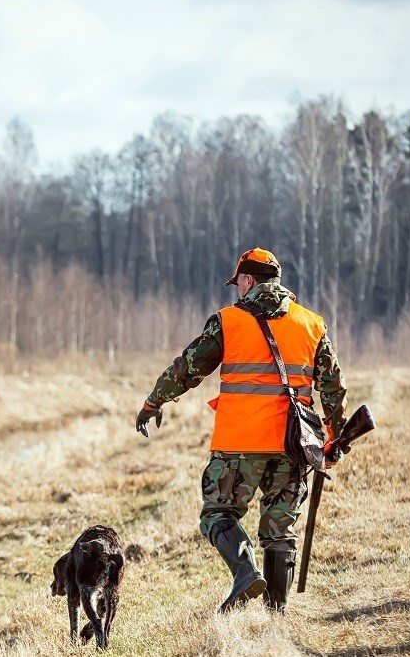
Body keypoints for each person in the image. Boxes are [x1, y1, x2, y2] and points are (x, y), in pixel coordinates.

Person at [135, 248, 347, 614]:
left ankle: (245, 573)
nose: (237, 290)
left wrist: (154, 401)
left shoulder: (228, 321)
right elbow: (333, 388)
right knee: (279, 530)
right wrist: (333, 438)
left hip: (238, 445)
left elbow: (188, 368)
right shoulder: (312, 324)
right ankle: (275, 619)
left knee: (218, 513)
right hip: (292, 446)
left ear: (248, 280)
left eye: (238, 283)